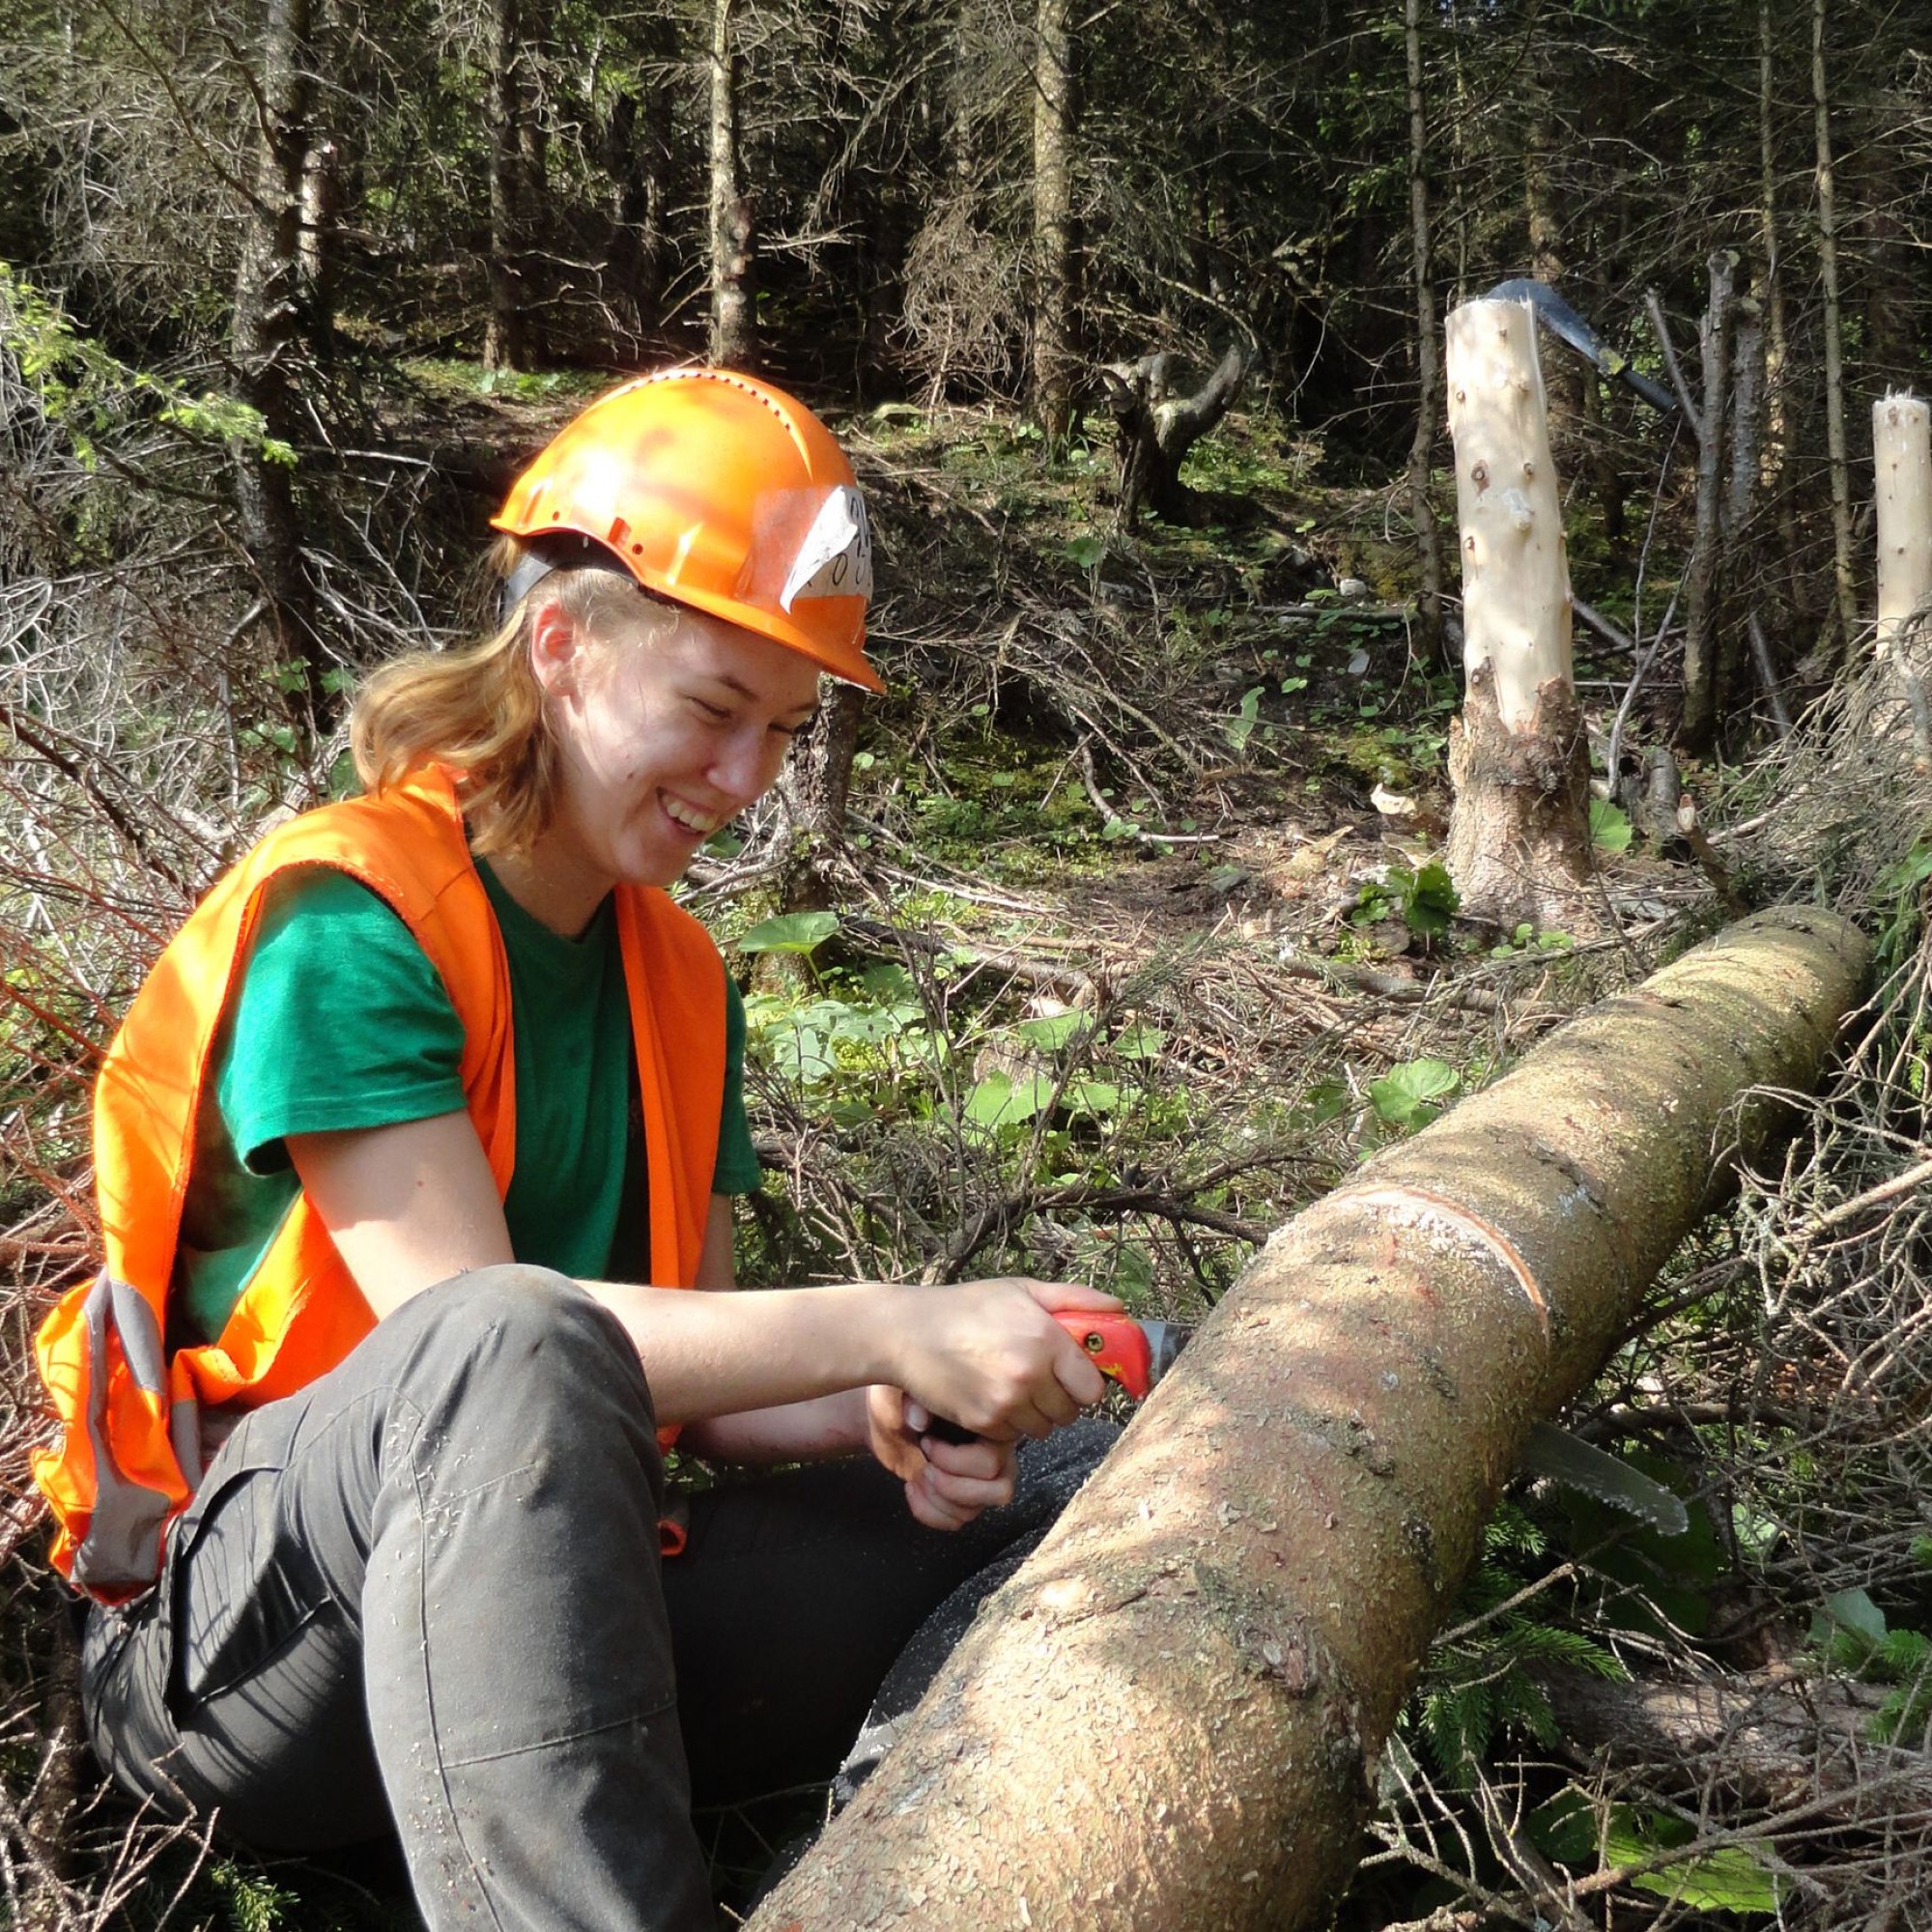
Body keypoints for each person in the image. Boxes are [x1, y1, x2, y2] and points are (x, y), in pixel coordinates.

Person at [32, 368, 1120, 1931]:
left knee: (1116, 1448)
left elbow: (712, 1392)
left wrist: (890, 1390)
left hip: (569, 1602)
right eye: (712, 711)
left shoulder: (677, 979)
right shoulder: (355, 918)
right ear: (561, 644)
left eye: (785, 731)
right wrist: (889, 1314)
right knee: (510, 1335)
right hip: (245, 1650)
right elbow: (466, 1343)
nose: (745, 785)